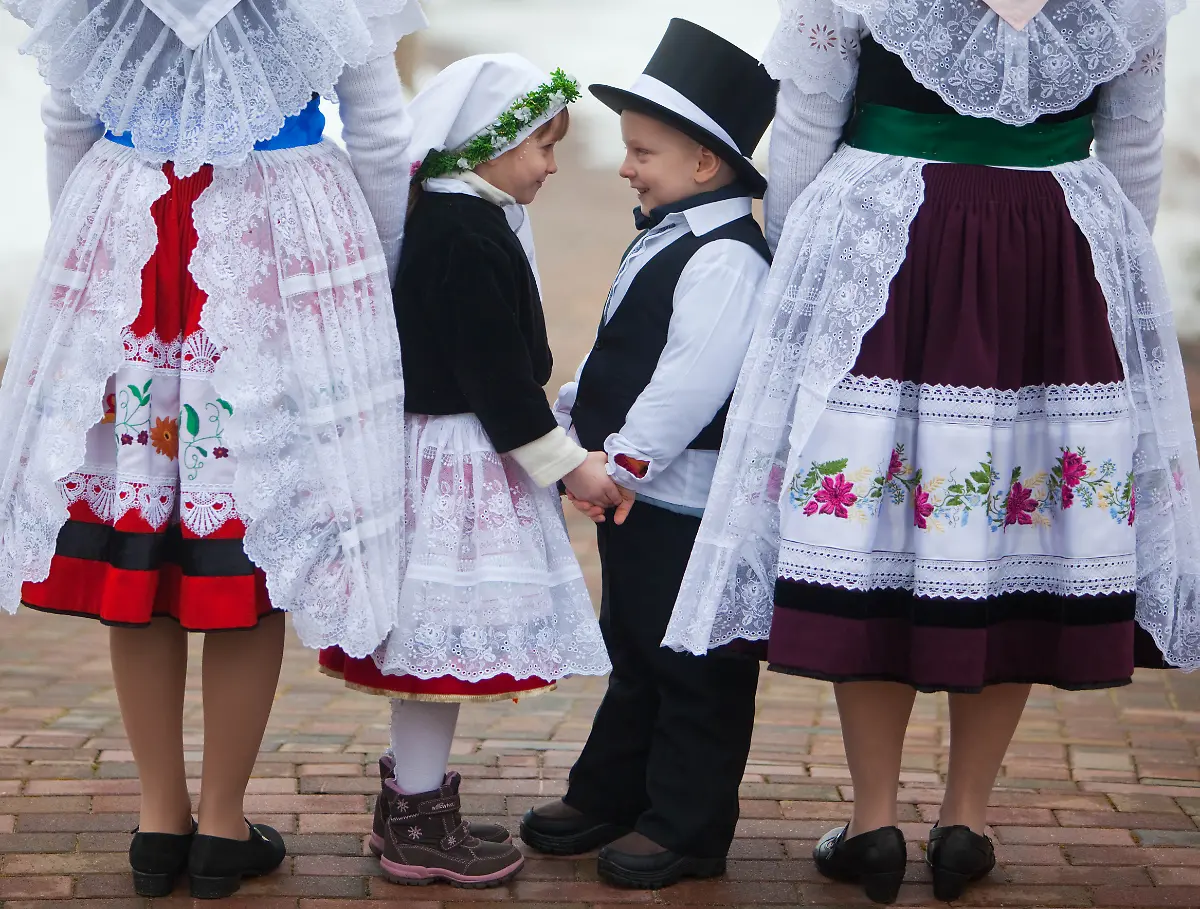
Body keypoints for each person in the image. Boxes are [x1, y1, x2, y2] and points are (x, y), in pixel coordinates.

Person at [661, 1, 1200, 904]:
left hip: (888, 240)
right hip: (1056, 245)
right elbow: (1137, 150)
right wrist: (1103, 277)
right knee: (1010, 535)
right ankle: (967, 819)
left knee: (876, 536)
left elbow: (803, 127)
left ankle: (873, 821)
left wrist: (799, 264)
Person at [0, 0, 427, 898]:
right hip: (278, 242)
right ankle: (225, 822)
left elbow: (66, 122)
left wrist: (81, 279)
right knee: (251, 530)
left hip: (130, 231)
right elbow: (381, 133)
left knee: (142, 530)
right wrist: (383, 282)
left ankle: (162, 819)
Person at [316, 53, 621, 889]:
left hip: (455, 450)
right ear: (488, 142)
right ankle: (417, 819)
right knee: (434, 644)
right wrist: (571, 470)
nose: (552, 165)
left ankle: (412, 805)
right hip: (457, 460)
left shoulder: (464, 218)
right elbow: (494, 378)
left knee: (433, 648)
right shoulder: (461, 232)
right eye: (541, 147)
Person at [520, 19, 777, 891]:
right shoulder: (667, 233)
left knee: (694, 664)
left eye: (644, 151)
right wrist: (573, 417)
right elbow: (620, 347)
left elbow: (689, 381)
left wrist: (622, 462)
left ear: (705, 163)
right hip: (643, 495)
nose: (626, 166)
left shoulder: (728, 259)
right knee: (633, 645)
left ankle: (688, 824)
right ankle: (613, 792)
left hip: (689, 496)